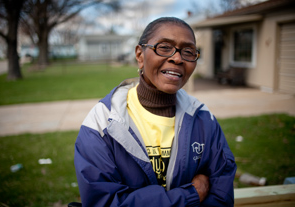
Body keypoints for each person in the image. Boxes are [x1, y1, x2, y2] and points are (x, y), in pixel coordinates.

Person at [74, 17, 237, 207]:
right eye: (164, 47)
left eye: (188, 51)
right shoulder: (102, 123)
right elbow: (103, 202)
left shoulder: (203, 119)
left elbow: (221, 198)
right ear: (140, 55)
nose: (177, 58)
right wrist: (191, 195)